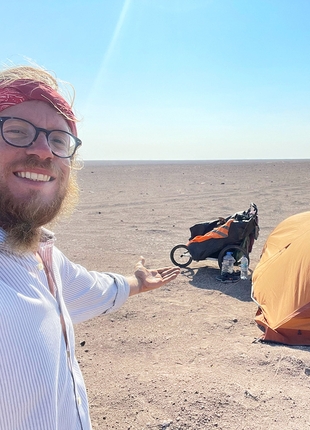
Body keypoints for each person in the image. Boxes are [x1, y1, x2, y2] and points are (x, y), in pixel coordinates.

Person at [0, 65, 180, 429]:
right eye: (16, 131)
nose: (43, 150)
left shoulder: (41, 256)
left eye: (59, 141)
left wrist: (138, 282)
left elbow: (91, 288)